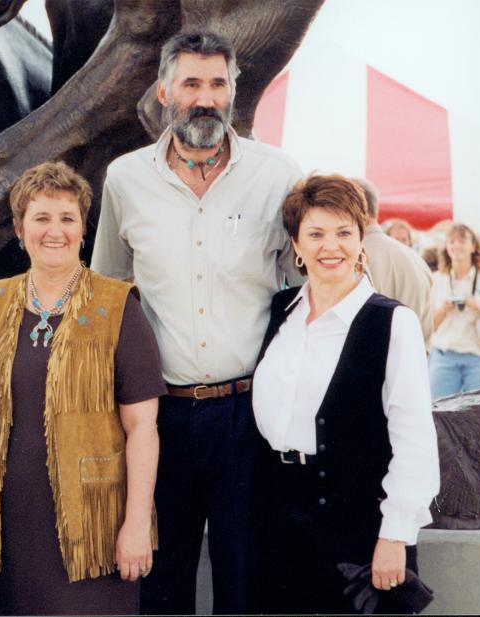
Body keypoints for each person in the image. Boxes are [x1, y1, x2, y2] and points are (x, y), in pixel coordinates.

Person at [90, 31, 301, 614]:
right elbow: (108, 293)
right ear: (164, 92)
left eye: (217, 84)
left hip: (247, 417)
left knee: (245, 582)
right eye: (191, 84)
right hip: (161, 420)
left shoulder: (278, 174)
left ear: (234, 91)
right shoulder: (125, 180)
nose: (205, 98)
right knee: (163, 587)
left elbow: (306, 289)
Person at [0, 161, 165, 615]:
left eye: (66, 218)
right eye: (40, 218)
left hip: (95, 524)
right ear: (20, 229)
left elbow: (143, 428)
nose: (53, 231)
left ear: (83, 228)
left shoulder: (117, 304)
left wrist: (136, 523)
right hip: (9, 521)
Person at [252, 174, 439, 613]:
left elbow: (414, 437)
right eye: (315, 234)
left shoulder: (392, 322)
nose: (329, 246)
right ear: (296, 245)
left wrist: (394, 535)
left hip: (358, 525)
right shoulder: (282, 312)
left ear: (361, 241)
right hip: (280, 516)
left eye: (343, 233)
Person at [355, 179, 433, 350]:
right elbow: (427, 329)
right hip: (413, 363)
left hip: (367, 366)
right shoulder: (417, 260)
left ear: (354, 207)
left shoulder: (351, 257)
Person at [428, 223, 480, 398]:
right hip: (443, 359)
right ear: (446, 248)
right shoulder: (436, 280)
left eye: (462, 240)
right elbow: (429, 327)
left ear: (473, 246)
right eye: (452, 241)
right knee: (437, 413)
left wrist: (477, 306)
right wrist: (443, 309)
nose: (457, 245)